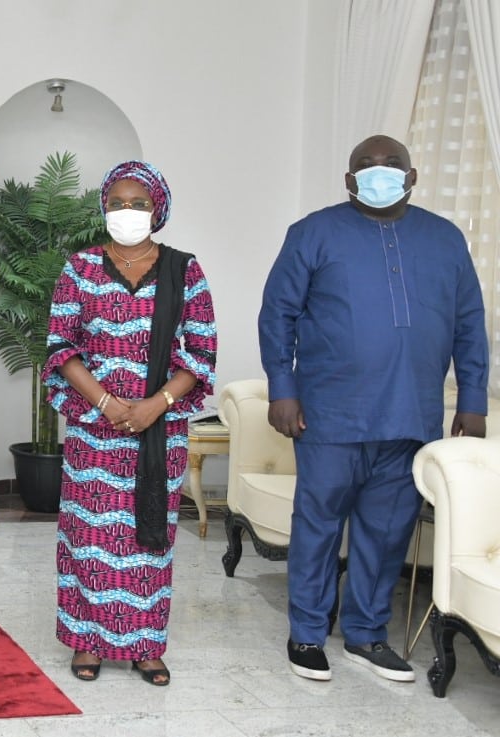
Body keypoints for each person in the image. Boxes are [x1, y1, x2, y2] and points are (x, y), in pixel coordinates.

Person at [259, 134, 489, 683]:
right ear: (348, 179)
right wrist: (282, 388)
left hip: (411, 415)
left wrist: (473, 399)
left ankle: (365, 634)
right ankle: (307, 633)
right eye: (366, 165)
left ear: (412, 177)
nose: (378, 172)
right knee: (318, 524)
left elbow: (469, 323)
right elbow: (278, 314)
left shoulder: (446, 239)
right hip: (328, 413)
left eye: (391, 165)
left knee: (386, 533)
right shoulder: (313, 232)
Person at [41, 161, 217, 687]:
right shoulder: (80, 268)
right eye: (117, 203)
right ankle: (87, 640)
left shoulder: (185, 271)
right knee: (89, 536)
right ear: (104, 208)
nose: (127, 212)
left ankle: (145, 645)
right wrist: (107, 404)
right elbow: (61, 347)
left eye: (138, 203)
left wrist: (153, 405)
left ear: (157, 209)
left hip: (158, 433)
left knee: (149, 538)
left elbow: (201, 353)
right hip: (94, 431)